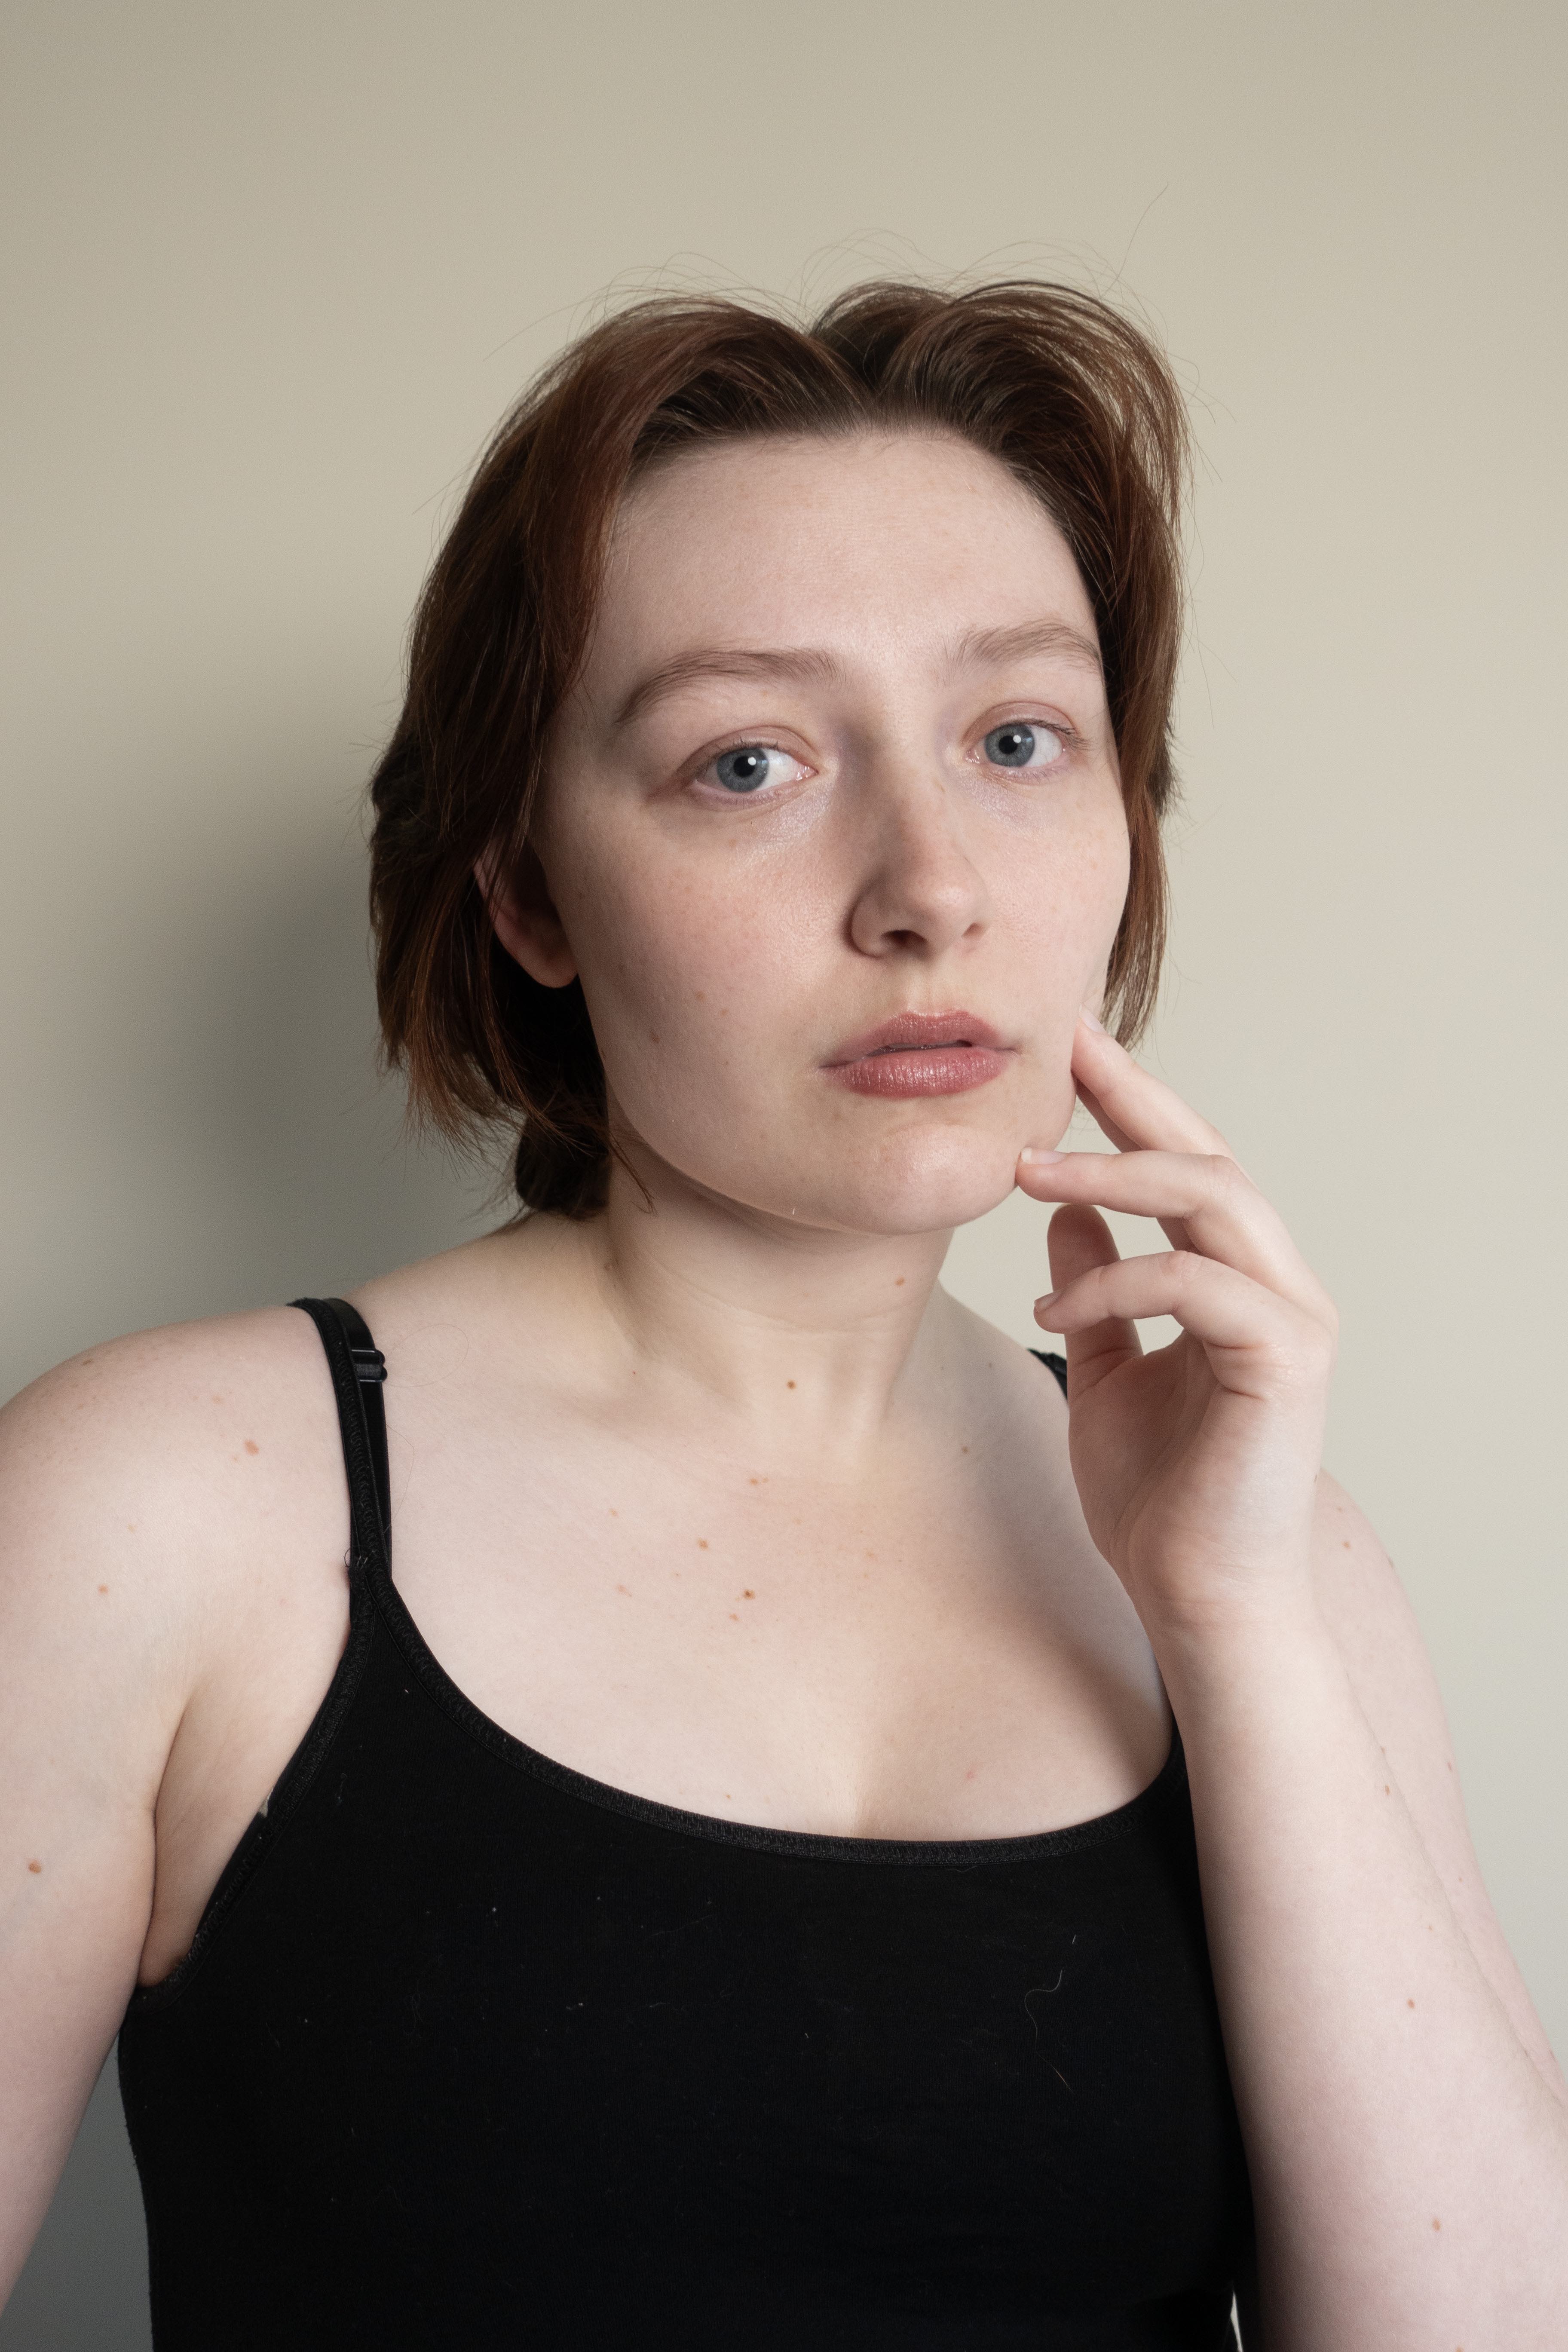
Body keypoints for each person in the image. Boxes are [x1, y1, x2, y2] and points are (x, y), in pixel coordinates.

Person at [1, 280, 1563, 2351]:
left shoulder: (1268, 1556)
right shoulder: (164, 1508)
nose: (931, 887)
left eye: (1018, 740)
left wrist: (1237, 1622)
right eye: (748, 762)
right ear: (527, 893)